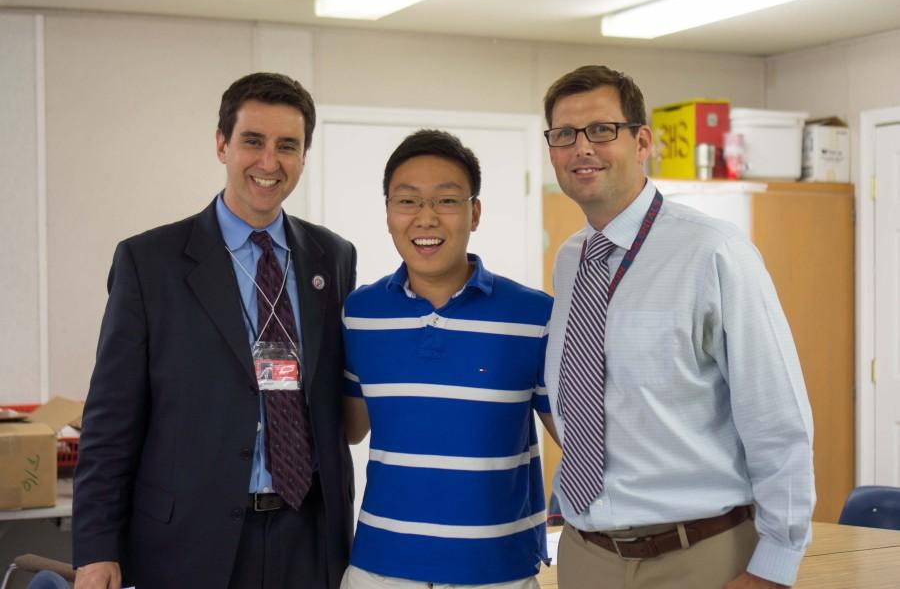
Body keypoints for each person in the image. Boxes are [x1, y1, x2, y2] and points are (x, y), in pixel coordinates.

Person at [72, 72, 357, 589]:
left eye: (287, 146)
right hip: (189, 543)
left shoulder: (332, 257)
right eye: (253, 141)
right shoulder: (148, 262)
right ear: (222, 144)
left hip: (309, 538)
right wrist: (96, 550)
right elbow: (110, 421)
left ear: (303, 157)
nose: (269, 163)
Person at [541, 65, 815, 589]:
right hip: (584, 553)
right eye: (563, 135)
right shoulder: (572, 260)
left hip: (697, 555)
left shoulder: (713, 251)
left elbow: (777, 417)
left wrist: (777, 565)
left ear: (641, 141)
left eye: (602, 130)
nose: (582, 148)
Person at [340, 130, 558, 589]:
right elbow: (351, 428)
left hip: (497, 573)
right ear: (387, 212)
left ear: (474, 212)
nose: (426, 219)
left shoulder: (535, 315)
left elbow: (578, 439)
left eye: (446, 201)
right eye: (407, 201)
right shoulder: (359, 313)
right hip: (380, 568)